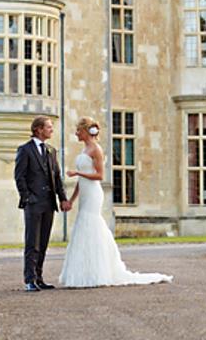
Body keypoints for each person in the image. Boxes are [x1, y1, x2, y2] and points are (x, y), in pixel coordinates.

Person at [59, 116, 173, 287]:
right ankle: (85, 271)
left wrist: (78, 173)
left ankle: (98, 271)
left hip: (94, 194)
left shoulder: (96, 149)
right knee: (83, 226)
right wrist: (71, 200)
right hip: (85, 193)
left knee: (91, 224)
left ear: (86, 131)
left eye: (78, 130)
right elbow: (81, 182)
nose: (76, 133)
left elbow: (99, 175)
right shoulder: (84, 150)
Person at [14, 115, 71, 291]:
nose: (51, 130)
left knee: (43, 242)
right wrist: (28, 197)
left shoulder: (51, 151)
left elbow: (57, 177)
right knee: (32, 243)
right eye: (48, 127)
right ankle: (29, 280)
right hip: (33, 203)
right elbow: (19, 177)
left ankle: (39, 278)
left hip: (49, 203)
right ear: (38, 129)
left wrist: (62, 198)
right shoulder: (25, 150)